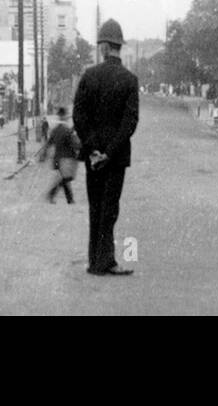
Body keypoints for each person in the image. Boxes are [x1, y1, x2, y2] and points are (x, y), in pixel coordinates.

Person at [73, 18, 140, 276]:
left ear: (103, 48)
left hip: (93, 158)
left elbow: (79, 117)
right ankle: (106, 261)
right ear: (119, 47)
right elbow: (129, 123)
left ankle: (95, 262)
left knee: (95, 207)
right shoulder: (129, 80)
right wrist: (109, 152)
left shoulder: (89, 76)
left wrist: (93, 150)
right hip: (116, 157)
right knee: (110, 209)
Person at [41, 107, 82, 204]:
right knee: (65, 178)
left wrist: (44, 154)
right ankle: (53, 194)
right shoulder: (67, 131)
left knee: (64, 178)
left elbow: (49, 143)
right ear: (64, 117)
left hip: (57, 159)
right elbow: (75, 144)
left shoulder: (55, 130)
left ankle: (69, 199)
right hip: (66, 159)